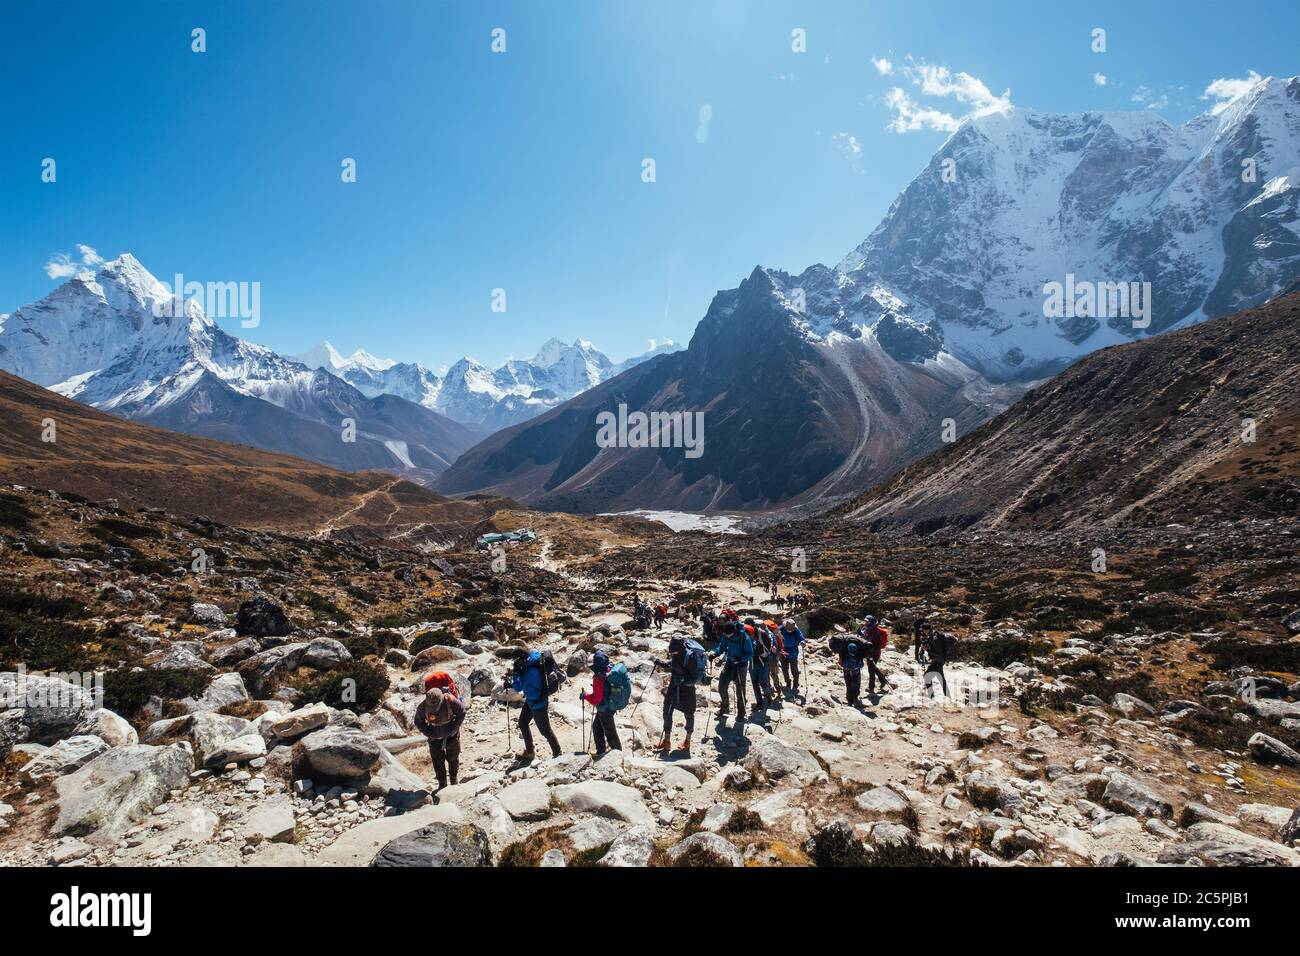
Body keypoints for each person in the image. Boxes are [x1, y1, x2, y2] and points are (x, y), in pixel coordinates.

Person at [511, 648, 562, 760]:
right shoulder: (530, 664)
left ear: (522, 659)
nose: (516, 664)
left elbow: (518, 687)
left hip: (537, 703)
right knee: (522, 722)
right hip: (532, 701)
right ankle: (530, 752)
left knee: (545, 731)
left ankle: (557, 754)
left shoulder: (530, 672)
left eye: (516, 661)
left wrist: (516, 675)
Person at [414, 686, 465, 790]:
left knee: (453, 758)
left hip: (452, 736)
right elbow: (418, 721)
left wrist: (453, 729)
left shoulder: (449, 700)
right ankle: (442, 784)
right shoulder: (423, 706)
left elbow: (461, 712)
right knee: (438, 761)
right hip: (434, 739)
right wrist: (429, 734)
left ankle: (453, 779)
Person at [654, 636, 696, 753]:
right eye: (672, 652)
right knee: (667, 710)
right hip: (674, 686)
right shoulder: (675, 654)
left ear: (680, 649)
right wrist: (662, 664)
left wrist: (684, 681)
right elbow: (673, 664)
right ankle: (666, 741)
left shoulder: (690, 657)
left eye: (675, 651)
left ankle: (687, 740)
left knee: (689, 713)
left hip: (687, 690)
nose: (673, 654)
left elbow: (694, 677)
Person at [579, 649, 622, 756]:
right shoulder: (609, 669)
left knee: (610, 733)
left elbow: (596, 699)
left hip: (605, 708)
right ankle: (600, 751)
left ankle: (618, 755)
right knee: (597, 727)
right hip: (611, 705)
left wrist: (585, 696)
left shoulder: (599, 678)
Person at [712, 619, 752, 723]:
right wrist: (715, 654)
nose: (727, 637)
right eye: (726, 635)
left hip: (741, 666)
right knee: (721, 687)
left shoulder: (744, 637)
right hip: (729, 663)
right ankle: (725, 708)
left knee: (740, 691)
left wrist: (741, 658)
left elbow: (749, 653)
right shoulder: (726, 634)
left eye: (729, 635)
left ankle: (741, 713)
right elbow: (722, 646)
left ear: (734, 632)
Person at [859, 615, 892, 696]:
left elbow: (877, 645)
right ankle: (882, 681)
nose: (865, 622)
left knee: (871, 670)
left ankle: (871, 687)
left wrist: (872, 654)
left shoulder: (876, 632)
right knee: (873, 668)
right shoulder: (867, 629)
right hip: (869, 652)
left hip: (874, 654)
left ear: (871, 621)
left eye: (867, 621)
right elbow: (866, 638)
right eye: (865, 621)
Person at [746, 618, 771, 712]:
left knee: (762, 682)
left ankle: (767, 695)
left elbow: (768, 646)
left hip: (763, 661)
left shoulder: (762, 633)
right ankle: (759, 703)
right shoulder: (746, 633)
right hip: (753, 661)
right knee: (754, 683)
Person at [779, 619, 806, 694]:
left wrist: (802, 641)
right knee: (784, 669)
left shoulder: (795, 629)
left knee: (794, 669)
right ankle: (788, 682)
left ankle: (795, 683)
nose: (790, 630)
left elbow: (800, 636)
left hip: (793, 651)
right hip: (783, 650)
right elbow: (776, 634)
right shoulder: (781, 628)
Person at [924, 629, 951, 700]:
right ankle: (948, 696)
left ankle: (931, 697)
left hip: (937, 662)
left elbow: (938, 654)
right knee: (942, 679)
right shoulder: (932, 637)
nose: (923, 632)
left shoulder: (934, 639)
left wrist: (928, 650)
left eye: (924, 630)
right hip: (939, 662)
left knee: (926, 676)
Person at [762, 620, 784, 696]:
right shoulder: (774, 634)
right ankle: (778, 689)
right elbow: (779, 646)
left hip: (766, 658)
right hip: (773, 657)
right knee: (774, 674)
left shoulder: (765, 635)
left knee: (767, 674)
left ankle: (770, 689)